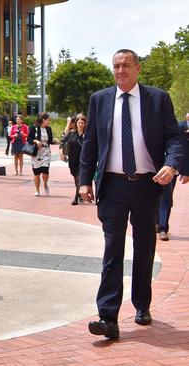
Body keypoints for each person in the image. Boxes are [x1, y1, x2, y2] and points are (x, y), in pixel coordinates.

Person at [80, 49, 183, 340]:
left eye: (126, 65)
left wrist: (171, 164)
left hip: (147, 185)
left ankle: (142, 304)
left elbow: (174, 138)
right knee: (112, 249)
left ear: (138, 68)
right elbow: (90, 143)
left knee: (144, 246)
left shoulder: (157, 98)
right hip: (112, 186)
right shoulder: (99, 99)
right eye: (116, 66)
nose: (120, 70)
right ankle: (107, 317)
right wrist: (85, 181)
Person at [156, 114, 189, 240]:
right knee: (153, 197)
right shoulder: (178, 127)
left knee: (166, 197)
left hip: (171, 169)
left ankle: (163, 228)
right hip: (152, 168)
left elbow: (185, 151)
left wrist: (186, 172)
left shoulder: (181, 128)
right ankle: (156, 223)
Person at [28, 113, 57, 196]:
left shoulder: (48, 129)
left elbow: (50, 140)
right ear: (44, 120)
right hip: (36, 153)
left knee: (45, 171)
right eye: (48, 119)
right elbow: (29, 139)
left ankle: (45, 184)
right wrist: (36, 141)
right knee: (36, 172)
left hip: (46, 152)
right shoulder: (34, 128)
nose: (49, 121)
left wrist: (55, 141)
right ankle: (37, 190)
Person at [60, 114, 86, 205]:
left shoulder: (87, 135)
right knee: (75, 177)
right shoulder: (71, 133)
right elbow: (62, 141)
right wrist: (61, 152)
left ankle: (76, 197)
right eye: (79, 122)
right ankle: (79, 194)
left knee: (79, 177)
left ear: (85, 124)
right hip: (73, 158)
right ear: (76, 123)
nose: (81, 124)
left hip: (83, 159)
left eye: (83, 123)